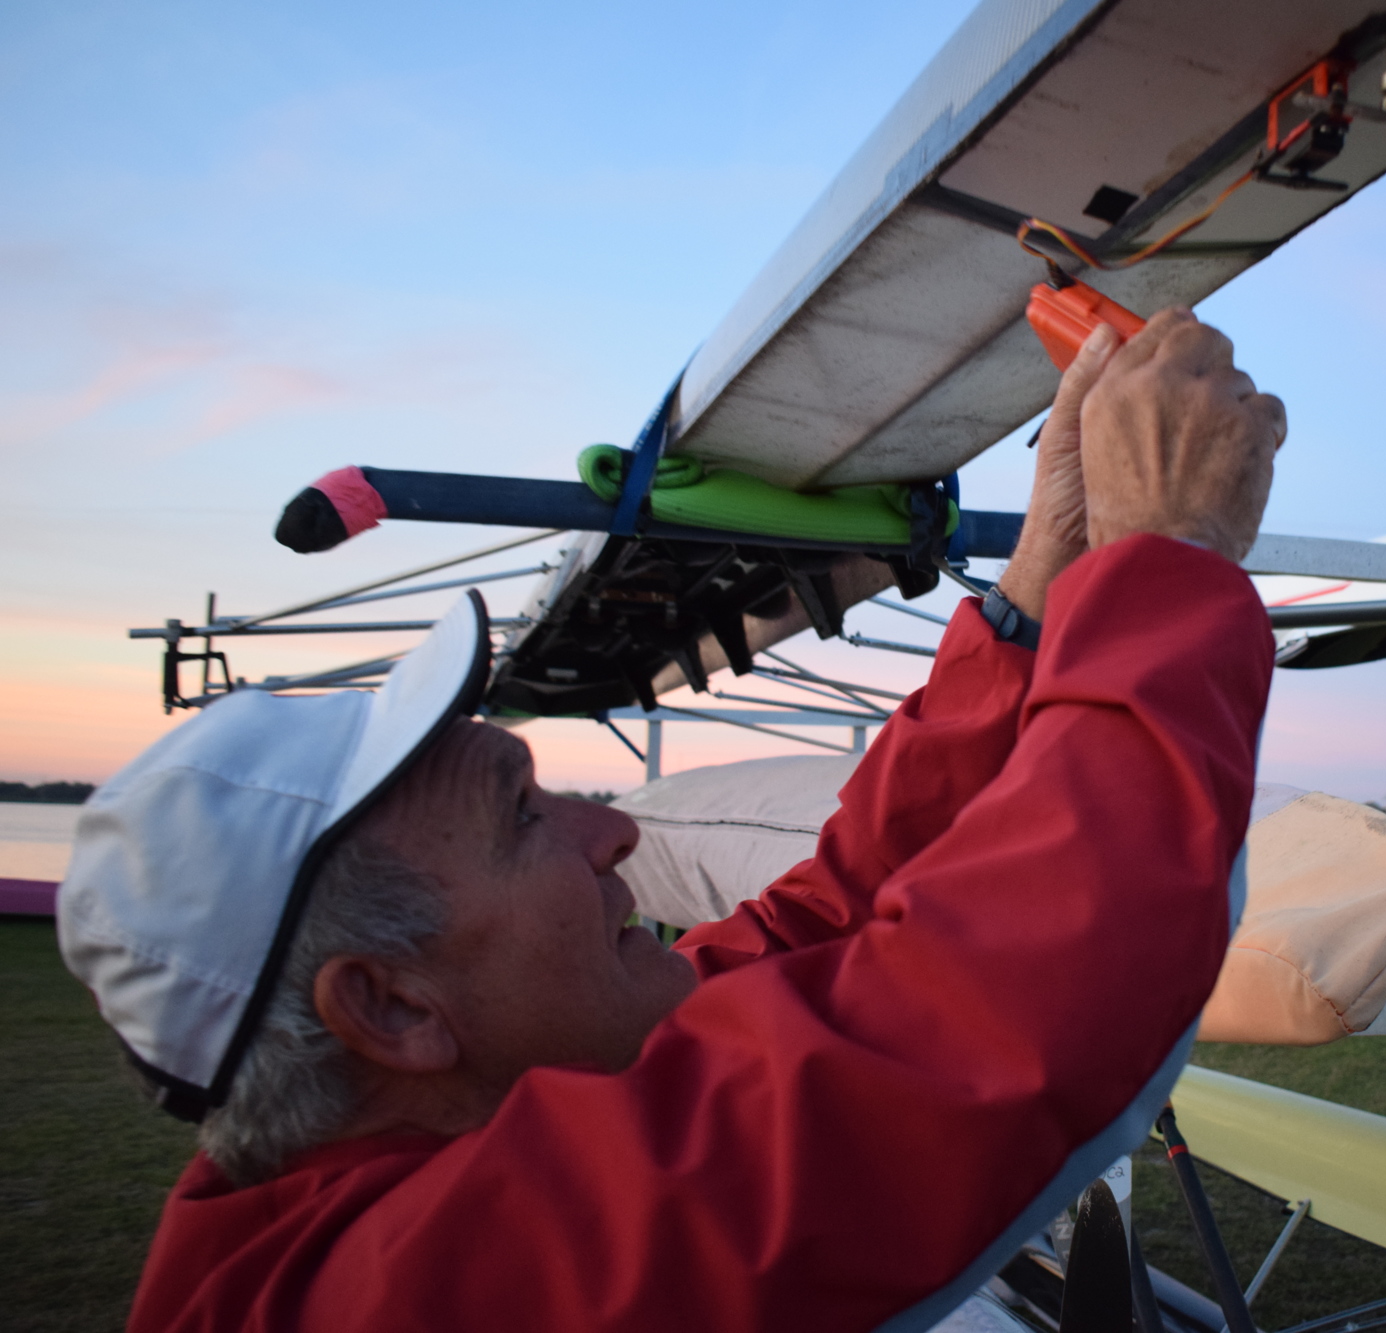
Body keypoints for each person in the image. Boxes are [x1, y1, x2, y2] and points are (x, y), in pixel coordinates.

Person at [59, 309, 1286, 1332]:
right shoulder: (411, 1299)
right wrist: (1170, 559)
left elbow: (825, 926)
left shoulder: (477, 1098)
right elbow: (965, 1042)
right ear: (390, 1008)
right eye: (523, 818)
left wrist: (1034, 603)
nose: (615, 835)